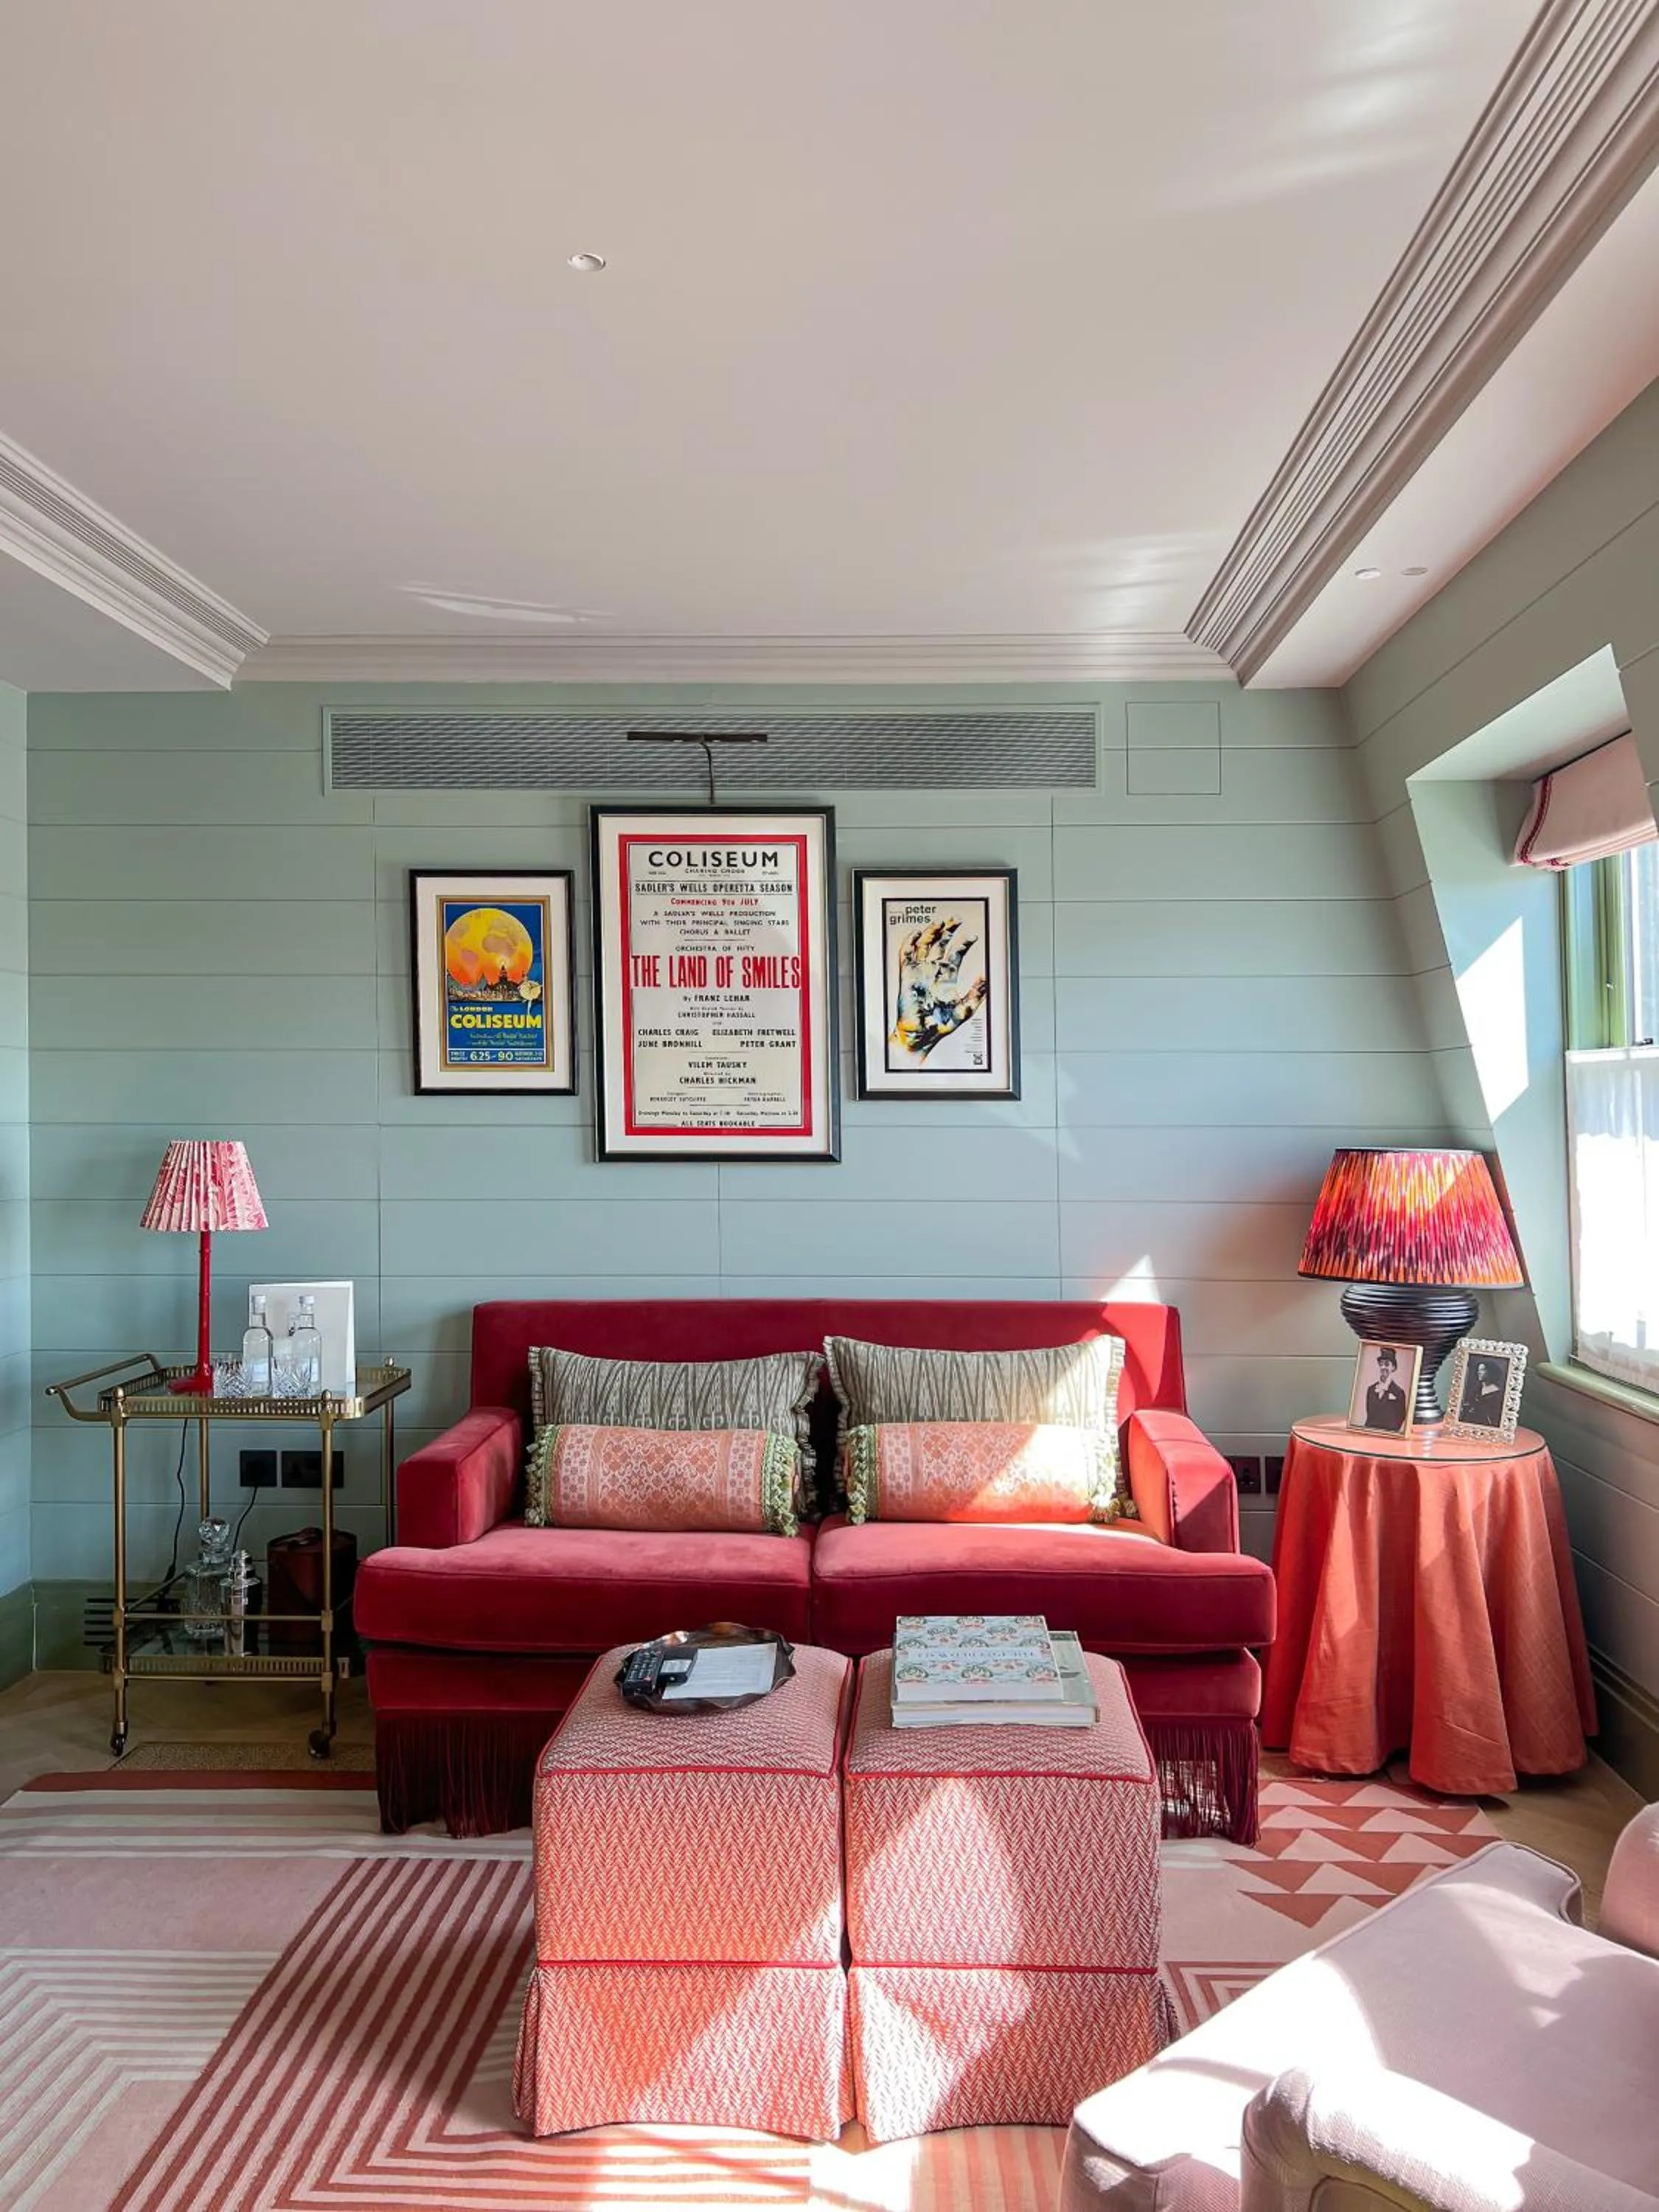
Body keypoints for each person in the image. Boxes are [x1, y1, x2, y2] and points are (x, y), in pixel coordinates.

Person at [1364, 1346, 1408, 1433]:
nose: (1383, 1367)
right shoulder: (1371, 1390)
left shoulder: (1399, 1392)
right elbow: (1369, 1413)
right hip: (1369, 1433)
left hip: (1389, 1435)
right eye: (1381, 1364)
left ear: (1393, 1368)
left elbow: (1400, 1417)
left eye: (1387, 1364)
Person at [1464, 1357, 1506, 1427]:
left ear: (1490, 1372)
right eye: (1478, 1370)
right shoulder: (1476, 1389)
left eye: (1482, 1370)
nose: (1479, 1372)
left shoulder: (1497, 1393)